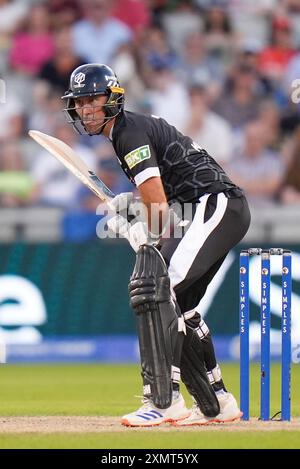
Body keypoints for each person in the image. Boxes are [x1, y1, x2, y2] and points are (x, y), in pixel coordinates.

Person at [61, 63, 251, 427]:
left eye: (93, 99)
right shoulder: (128, 132)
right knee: (181, 303)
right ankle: (217, 402)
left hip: (213, 205)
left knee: (158, 291)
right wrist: (132, 208)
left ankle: (163, 400)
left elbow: (159, 209)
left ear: (112, 99)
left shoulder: (128, 132)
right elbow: (156, 198)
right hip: (204, 209)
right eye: (80, 101)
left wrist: (137, 225)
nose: (85, 108)